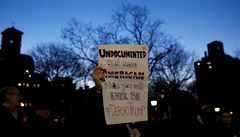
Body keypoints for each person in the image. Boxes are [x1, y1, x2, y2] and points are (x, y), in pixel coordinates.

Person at [64, 66, 131, 137]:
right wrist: (99, 89)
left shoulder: (133, 97)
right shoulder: (86, 97)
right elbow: (79, 119)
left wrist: (135, 129)